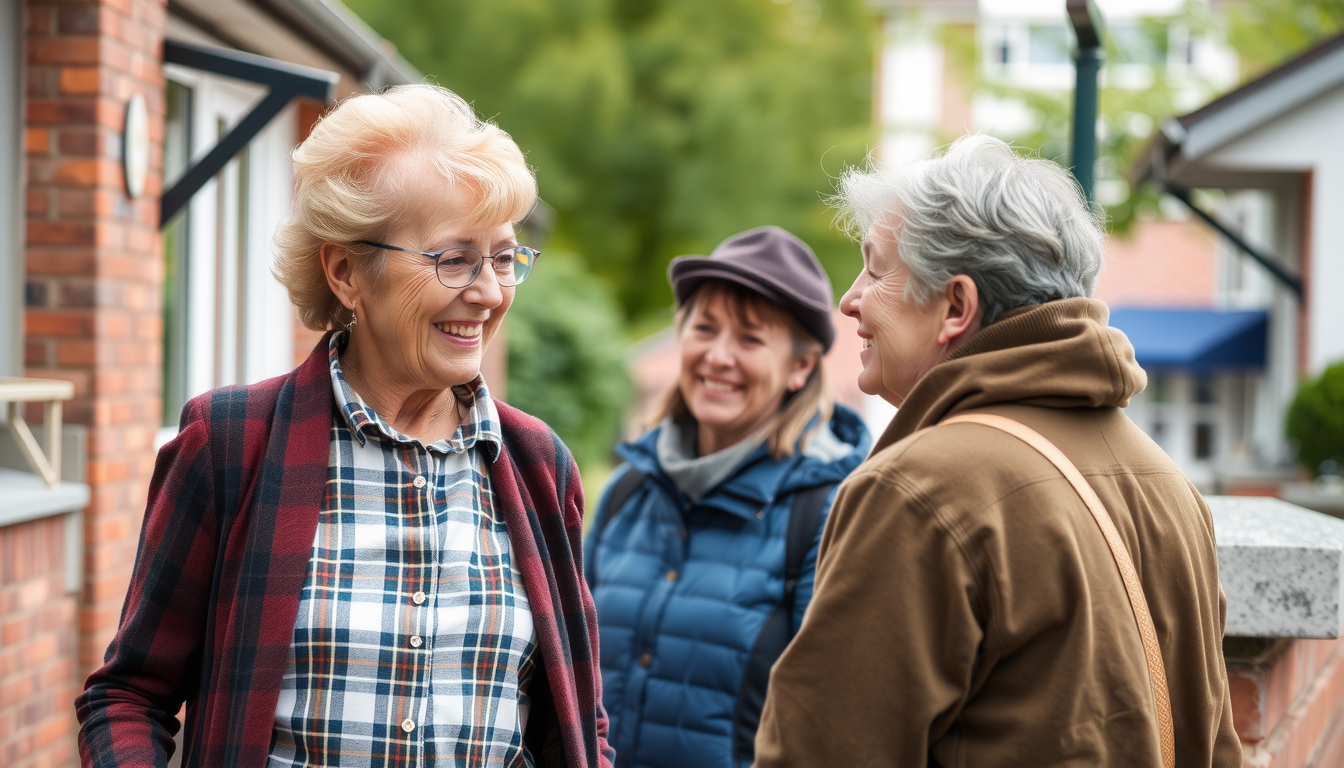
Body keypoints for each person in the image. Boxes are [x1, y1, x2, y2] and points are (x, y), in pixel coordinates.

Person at [76, 85, 613, 768]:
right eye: (453, 259)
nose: (488, 292)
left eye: (504, 257)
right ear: (345, 272)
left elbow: (579, 720)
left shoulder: (540, 465)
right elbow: (128, 696)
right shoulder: (231, 445)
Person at [754, 136, 1242, 767]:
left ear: (956, 306)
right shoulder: (1168, 484)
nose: (849, 300)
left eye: (875, 271)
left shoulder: (918, 490)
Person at [585, 227, 871, 768]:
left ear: (801, 367)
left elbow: (830, 723)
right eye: (704, 328)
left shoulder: (827, 512)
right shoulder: (626, 491)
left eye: (750, 339)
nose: (718, 356)